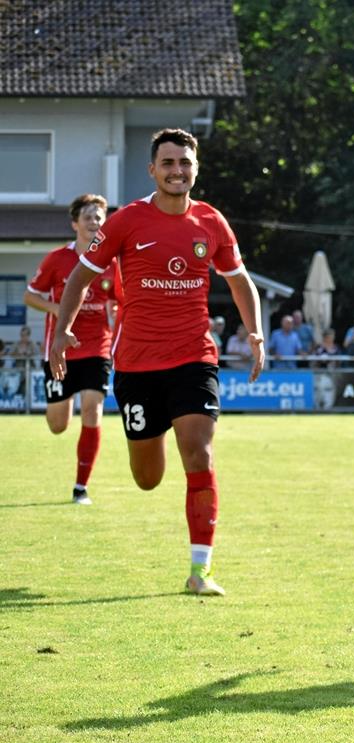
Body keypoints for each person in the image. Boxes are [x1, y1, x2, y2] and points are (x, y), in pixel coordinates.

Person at [49, 128, 264, 596]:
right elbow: (81, 275)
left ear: (195, 169)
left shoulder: (211, 222)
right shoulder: (127, 221)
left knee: (199, 452)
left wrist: (255, 331)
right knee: (147, 478)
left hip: (194, 357)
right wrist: (62, 330)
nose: (177, 171)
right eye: (168, 163)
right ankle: (152, 440)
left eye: (185, 163)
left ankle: (200, 570)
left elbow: (239, 280)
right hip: (137, 366)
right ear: (153, 170)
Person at [24, 193, 117, 505]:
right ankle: (64, 409)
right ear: (75, 223)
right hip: (60, 351)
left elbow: (119, 300)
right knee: (57, 425)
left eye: (99, 217)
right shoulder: (57, 259)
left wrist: (117, 314)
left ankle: (81, 488)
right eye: (88, 216)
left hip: (97, 349)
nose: (94, 221)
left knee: (93, 409)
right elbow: (30, 295)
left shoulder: (112, 262)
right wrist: (59, 311)